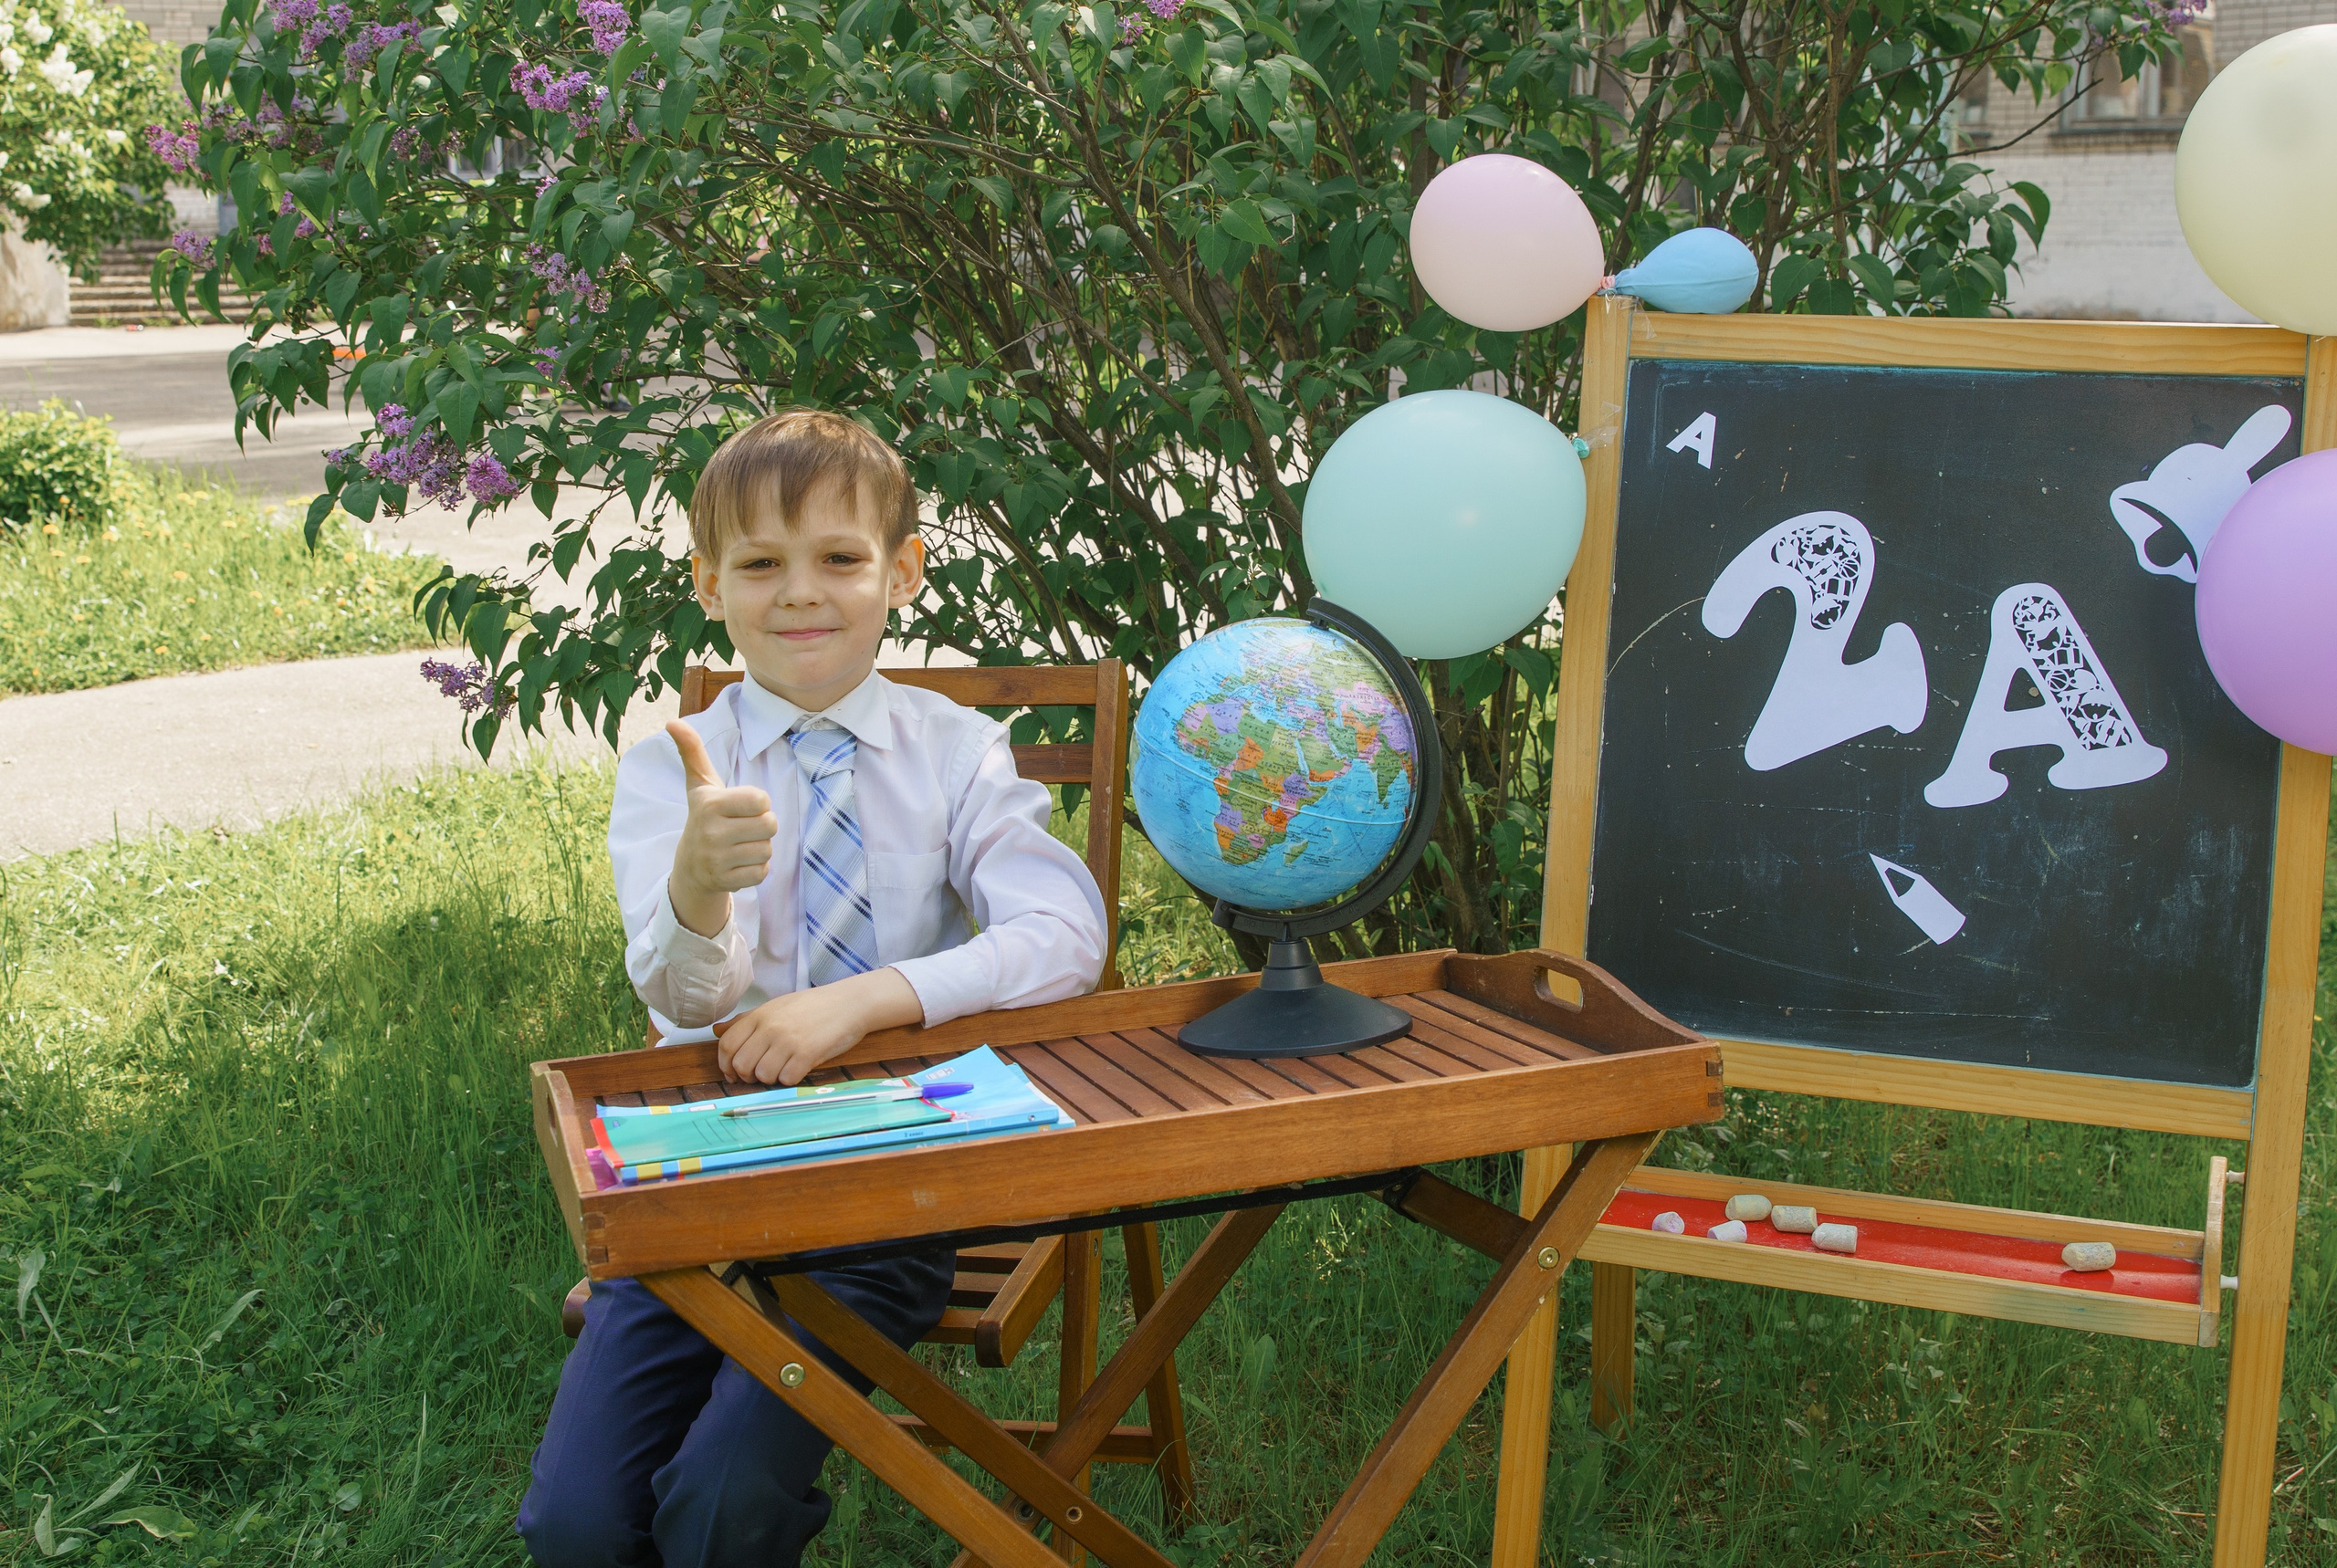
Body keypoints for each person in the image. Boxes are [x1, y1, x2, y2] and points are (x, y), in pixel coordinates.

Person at [518, 408, 1108, 1568]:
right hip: (698, 1185)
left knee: (721, 1504)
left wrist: (868, 998)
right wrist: (697, 889)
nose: (802, 594)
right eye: (760, 564)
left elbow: (1065, 933)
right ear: (708, 583)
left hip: (891, 1185)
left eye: (838, 558)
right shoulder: (674, 765)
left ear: (902, 571)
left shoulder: (956, 751)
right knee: (576, 1525)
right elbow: (688, 1004)